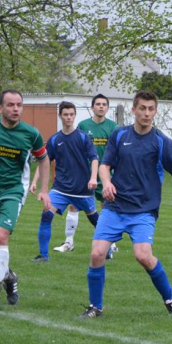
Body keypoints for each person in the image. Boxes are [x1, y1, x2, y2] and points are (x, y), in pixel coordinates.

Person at [79, 90, 172, 318]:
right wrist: (107, 183)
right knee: (97, 253)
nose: (146, 113)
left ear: (155, 112)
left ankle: (170, 299)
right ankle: (95, 307)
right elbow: (104, 165)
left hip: (143, 211)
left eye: (151, 109)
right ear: (134, 110)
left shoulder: (162, 142)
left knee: (143, 256)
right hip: (115, 207)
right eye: (142, 108)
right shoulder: (119, 136)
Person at [0, 90, 51, 309]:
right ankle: (9, 277)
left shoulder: (31, 134)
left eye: (19, 105)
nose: (16, 109)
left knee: (1, 237)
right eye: (10, 105)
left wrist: (44, 189)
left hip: (12, 192)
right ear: (0, 108)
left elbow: (43, 160)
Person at [30, 101, 99, 262]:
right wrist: (35, 182)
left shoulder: (83, 137)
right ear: (60, 116)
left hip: (82, 189)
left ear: (75, 116)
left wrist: (93, 177)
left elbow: (94, 158)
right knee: (46, 215)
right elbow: (44, 162)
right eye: (66, 114)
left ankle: (108, 247)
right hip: (60, 188)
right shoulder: (54, 140)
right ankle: (43, 255)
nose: (69, 117)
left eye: (71, 114)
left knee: (95, 220)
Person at [53, 94, 119, 257]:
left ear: (107, 108)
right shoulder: (83, 125)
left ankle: (110, 242)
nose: (101, 107)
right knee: (73, 206)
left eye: (104, 104)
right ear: (92, 107)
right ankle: (69, 242)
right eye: (98, 104)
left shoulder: (113, 127)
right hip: (83, 176)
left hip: (105, 177)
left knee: (106, 209)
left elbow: (117, 152)